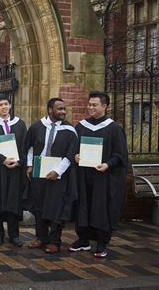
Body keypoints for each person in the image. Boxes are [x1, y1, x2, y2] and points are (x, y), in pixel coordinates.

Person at [69, 91, 128, 258]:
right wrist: (75, 156)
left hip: (103, 176)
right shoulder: (81, 126)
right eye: (89, 104)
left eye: (94, 105)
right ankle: (83, 239)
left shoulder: (114, 129)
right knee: (83, 205)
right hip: (83, 175)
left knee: (101, 207)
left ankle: (102, 242)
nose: (91, 108)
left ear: (104, 106)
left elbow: (120, 154)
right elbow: (74, 149)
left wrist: (108, 164)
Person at [25, 98, 78, 254]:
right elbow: (30, 148)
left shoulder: (69, 130)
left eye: (64, 109)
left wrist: (58, 171)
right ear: (50, 110)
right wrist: (29, 166)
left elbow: (70, 154)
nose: (62, 112)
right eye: (59, 109)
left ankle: (55, 241)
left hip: (58, 176)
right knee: (39, 206)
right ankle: (41, 238)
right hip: (38, 173)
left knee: (56, 208)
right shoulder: (37, 127)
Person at [0, 93, 27, 247]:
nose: (4, 107)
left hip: (14, 170)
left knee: (13, 201)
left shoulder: (19, 124)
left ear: (10, 105)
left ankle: (14, 235)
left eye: (6, 104)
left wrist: (18, 161)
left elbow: (24, 147)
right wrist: (3, 160)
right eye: (0, 105)